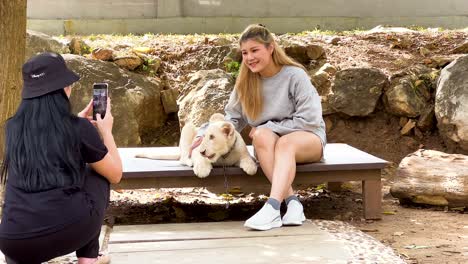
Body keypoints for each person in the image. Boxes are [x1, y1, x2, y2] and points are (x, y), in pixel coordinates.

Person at [0, 52, 122, 264]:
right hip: (68, 232)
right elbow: (116, 174)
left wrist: (76, 124)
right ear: (63, 89)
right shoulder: (79, 128)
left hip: (13, 242)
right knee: (96, 174)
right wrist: (106, 131)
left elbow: (47, 145)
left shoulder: (12, 127)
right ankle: (88, 259)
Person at [225, 24, 326, 231]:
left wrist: (271, 127)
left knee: (284, 143)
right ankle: (293, 203)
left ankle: (272, 208)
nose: (249, 57)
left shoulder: (294, 75)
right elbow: (232, 118)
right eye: (245, 53)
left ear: (270, 48)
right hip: (273, 142)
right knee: (261, 136)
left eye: (255, 50)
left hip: (308, 137)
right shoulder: (245, 81)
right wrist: (205, 135)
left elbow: (310, 119)